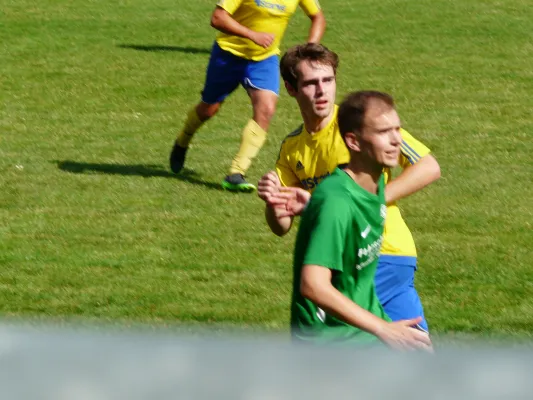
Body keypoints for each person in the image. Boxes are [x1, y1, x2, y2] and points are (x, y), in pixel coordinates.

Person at [258, 43, 441, 332]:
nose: (322, 91)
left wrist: (372, 201)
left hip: (382, 252)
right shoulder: (293, 147)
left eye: (327, 80)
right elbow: (281, 225)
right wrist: (272, 201)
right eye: (310, 83)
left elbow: (429, 167)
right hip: (344, 263)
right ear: (292, 89)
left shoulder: (362, 124)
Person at [282, 90, 432, 349]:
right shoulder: (336, 201)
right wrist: (383, 328)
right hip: (329, 345)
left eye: (398, 129)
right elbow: (313, 285)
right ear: (353, 141)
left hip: (362, 333)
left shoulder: (375, 188)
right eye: (384, 132)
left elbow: (358, 282)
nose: (396, 140)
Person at [169, 0, 326, 192]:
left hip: (264, 59)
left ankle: (236, 172)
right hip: (227, 55)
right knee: (208, 109)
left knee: (266, 109)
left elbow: (318, 17)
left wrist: (310, 49)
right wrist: (252, 35)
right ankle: (183, 140)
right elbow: (217, 18)